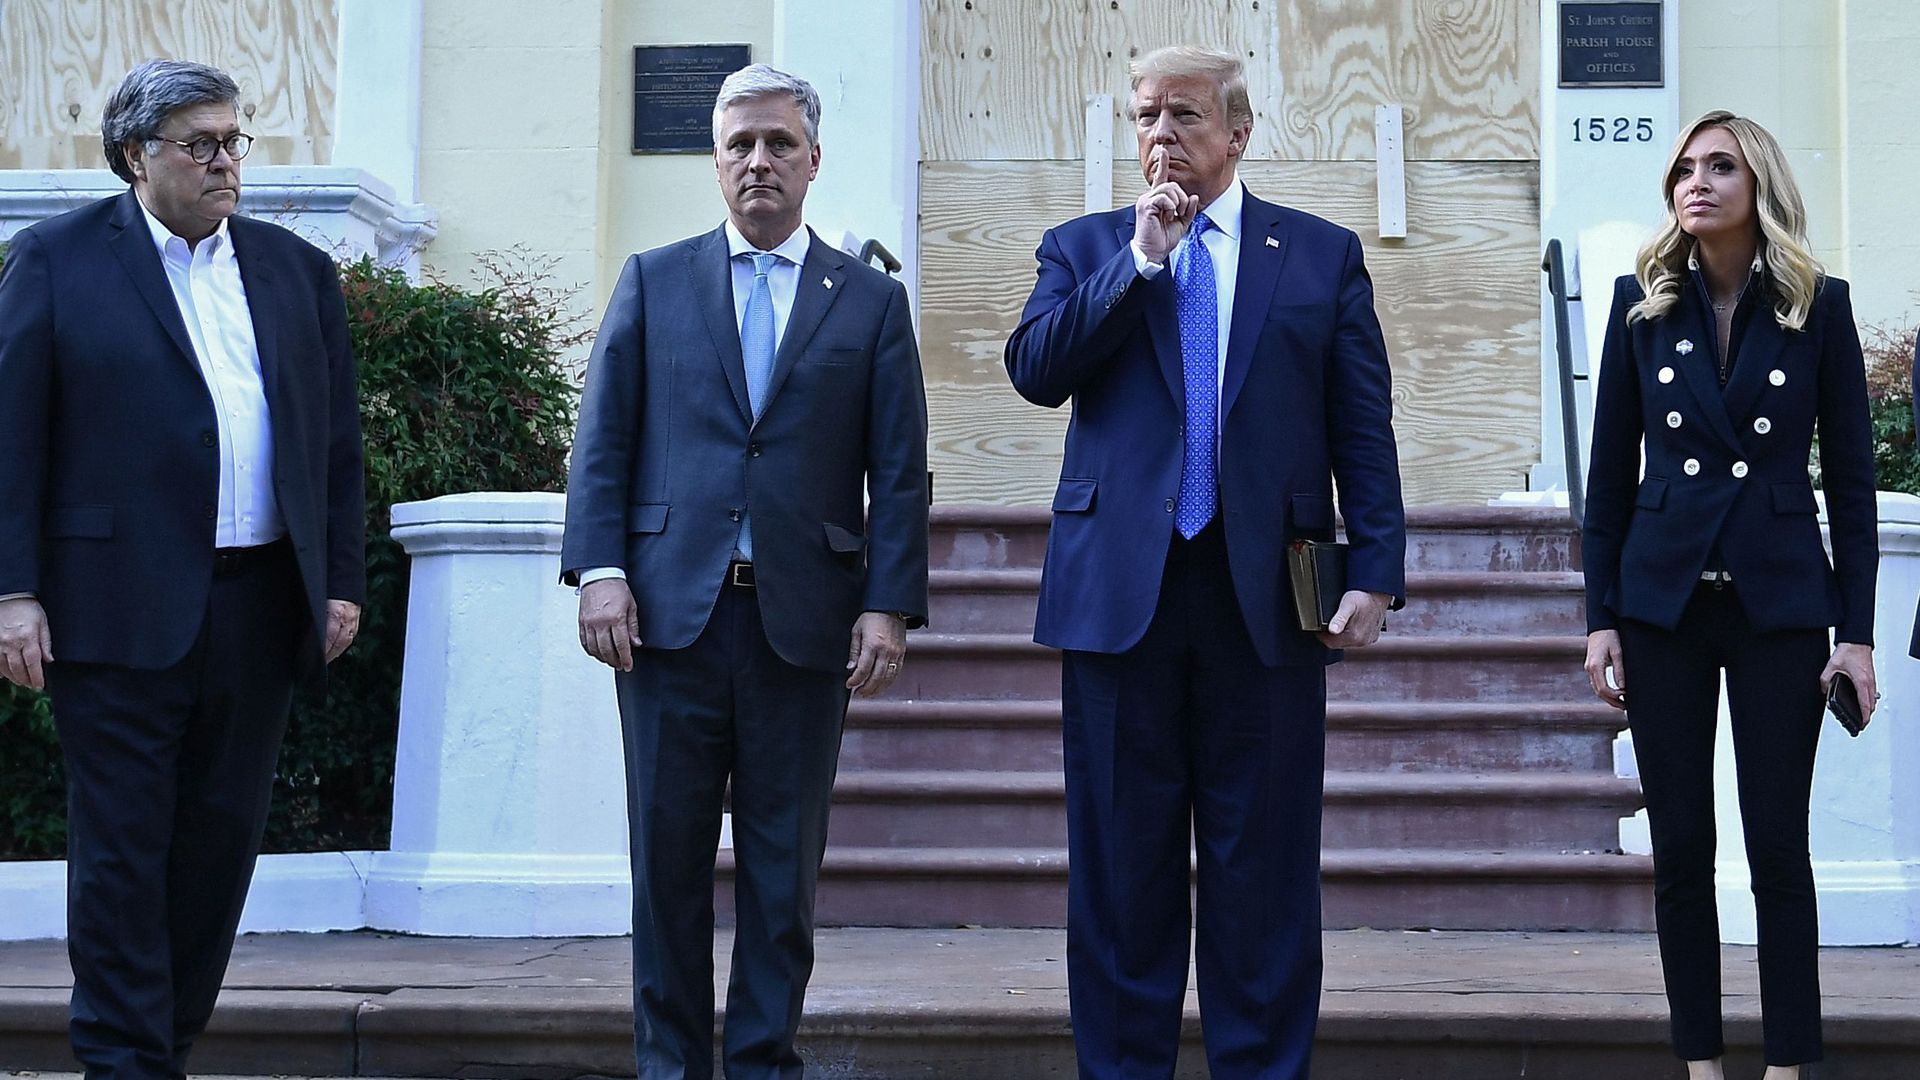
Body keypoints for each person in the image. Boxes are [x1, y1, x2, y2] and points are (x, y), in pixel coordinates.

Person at [1003, 44, 1406, 1080]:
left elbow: (1361, 425)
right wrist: (1137, 264)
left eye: (1183, 115)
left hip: (1262, 601)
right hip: (1117, 602)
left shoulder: (1317, 256)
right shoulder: (1084, 245)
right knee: (1120, 875)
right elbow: (1037, 371)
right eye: (1145, 117)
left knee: (1263, 874)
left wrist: (1375, 567)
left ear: (1237, 132)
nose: (1160, 136)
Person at [560, 64, 929, 1080]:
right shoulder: (654, 279)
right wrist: (600, 570)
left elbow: (898, 469)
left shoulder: (869, 303)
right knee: (665, 866)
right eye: (739, 145)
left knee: (782, 873)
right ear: (716, 162)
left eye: (778, 144)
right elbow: (604, 443)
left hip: (803, 627)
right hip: (669, 622)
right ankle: (669, 1065)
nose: (758, 161)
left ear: (813, 161)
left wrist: (889, 604)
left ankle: (765, 1060)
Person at [0, 59, 365, 1079]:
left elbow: (334, 447)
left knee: (216, 850)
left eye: (233, 140)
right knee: (123, 850)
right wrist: (11, 589)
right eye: (199, 144)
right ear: (135, 155)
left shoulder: (294, 273)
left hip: (256, 605)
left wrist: (338, 578)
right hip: (110, 609)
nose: (224, 162)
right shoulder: (57, 260)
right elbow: (10, 436)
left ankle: (164, 1044)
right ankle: (123, 1060)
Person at [1581, 110, 1879, 1080]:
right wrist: (1600, 620)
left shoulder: (1816, 306)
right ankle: (1700, 1064)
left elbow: (1853, 484)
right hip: (1661, 606)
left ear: (1760, 185)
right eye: (1683, 171)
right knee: (1681, 852)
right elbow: (1608, 482)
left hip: (1779, 607)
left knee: (1778, 853)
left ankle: (1790, 1065)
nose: (1695, 183)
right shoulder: (1642, 302)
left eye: (1720, 167)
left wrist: (1858, 634)